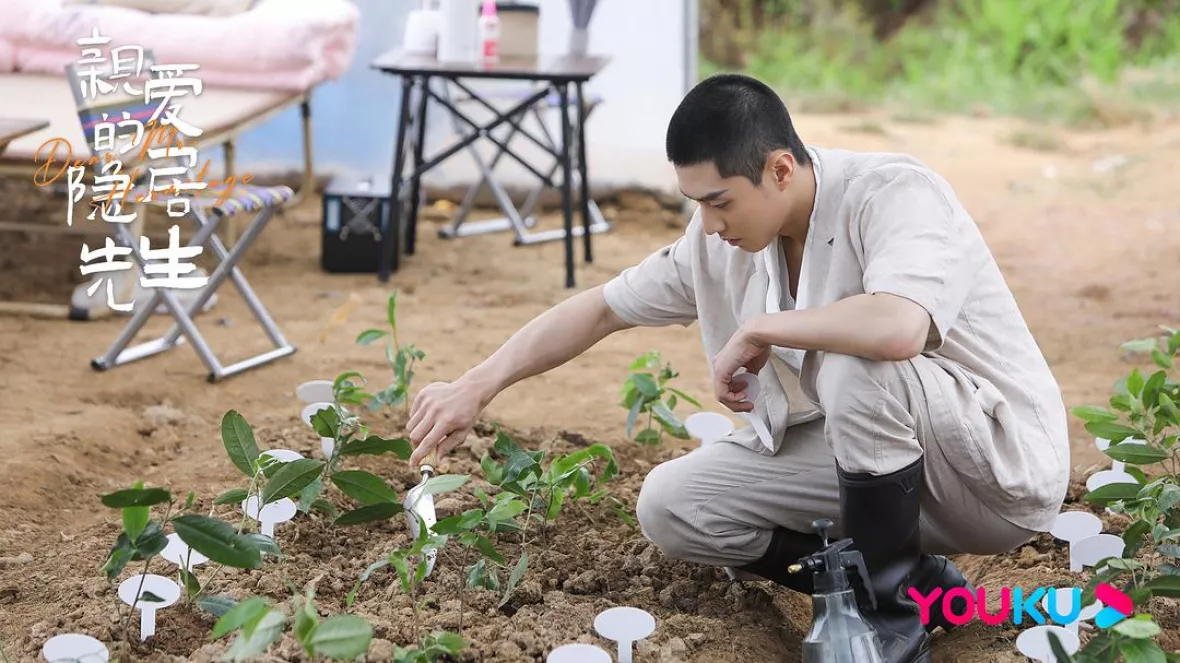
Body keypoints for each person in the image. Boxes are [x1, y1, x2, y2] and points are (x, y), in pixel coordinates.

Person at [404, 73, 1071, 663]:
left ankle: (886, 627)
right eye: (694, 202)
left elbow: (898, 326)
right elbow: (601, 309)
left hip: (993, 469)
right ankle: (916, 587)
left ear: (781, 169)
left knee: (855, 367)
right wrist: (476, 384)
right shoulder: (721, 240)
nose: (708, 222)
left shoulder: (894, 192)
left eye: (720, 201)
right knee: (673, 505)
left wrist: (761, 327)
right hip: (883, 473)